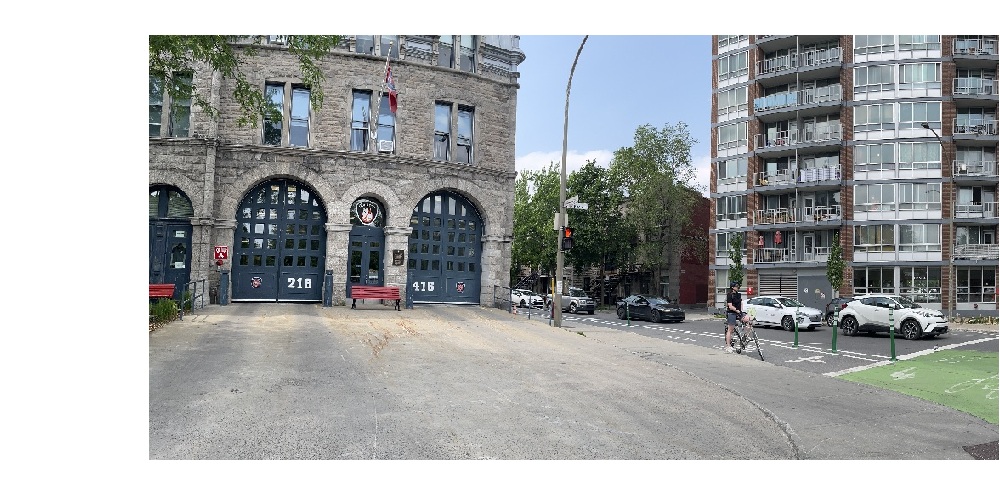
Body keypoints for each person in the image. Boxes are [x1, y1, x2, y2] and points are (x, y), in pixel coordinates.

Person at [725, 281, 744, 353]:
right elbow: (730, 306)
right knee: (730, 330)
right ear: (732, 287)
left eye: (738, 286)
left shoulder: (738, 295)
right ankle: (728, 346)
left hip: (738, 312)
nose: (738, 287)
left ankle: (744, 337)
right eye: (736, 286)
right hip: (731, 313)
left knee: (749, 321)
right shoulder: (729, 295)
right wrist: (736, 310)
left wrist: (741, 311)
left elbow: (741, 303)